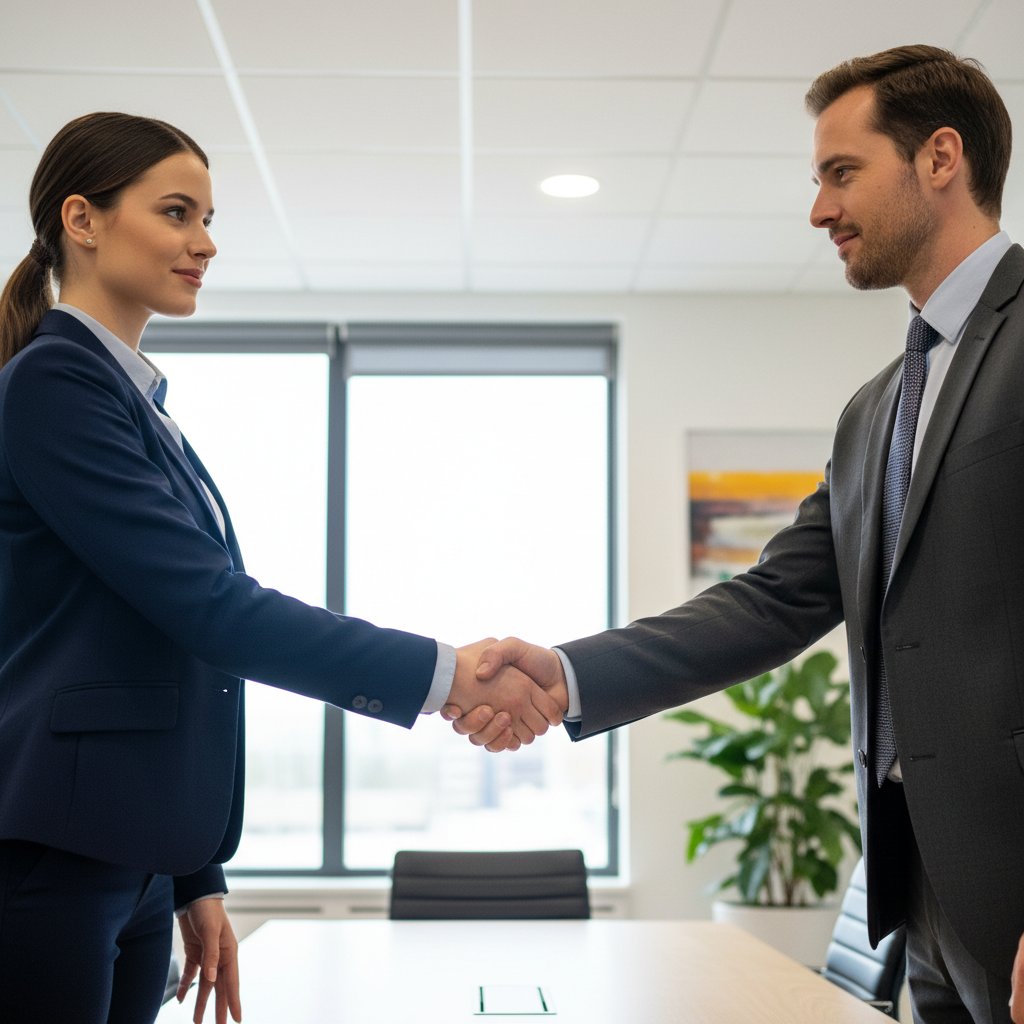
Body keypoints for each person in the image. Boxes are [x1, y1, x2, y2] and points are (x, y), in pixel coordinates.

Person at [455, 45, 1024, 1024]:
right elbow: (769, 602)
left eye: (841, 173)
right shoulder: (874, 409)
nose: (818, 211)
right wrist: (563, 673)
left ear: (940, 158)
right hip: (916, 890)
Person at [0, 111, 561, 1024]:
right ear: (83, 219)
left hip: (130, 859)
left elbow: (154, 644)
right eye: (178, 213)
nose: (205, 242)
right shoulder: (53, 384)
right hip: (56, 853)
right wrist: (447, 674)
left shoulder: (138, 403)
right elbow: (210, 610)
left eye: (209, 218)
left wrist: (192, 871)